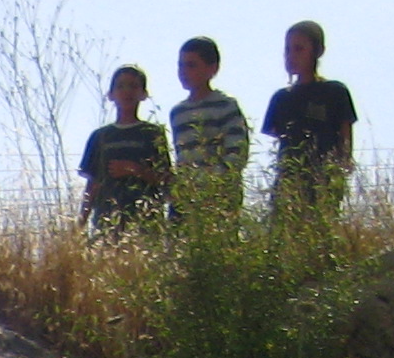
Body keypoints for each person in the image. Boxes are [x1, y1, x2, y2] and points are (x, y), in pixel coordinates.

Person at [262, 19, 357, 209]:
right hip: (288, 181)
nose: (291, 56)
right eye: (287, 50)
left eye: (299, 49)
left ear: (317, 51)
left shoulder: (334, 92)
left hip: (323, 177)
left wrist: (343, 163)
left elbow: (345, 130)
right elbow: (275, 135)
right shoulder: (281, 98)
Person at [77, 65, 171, 228]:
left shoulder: (152, 133)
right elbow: (92, 184)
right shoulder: (100, 137)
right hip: (107, 220)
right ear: (111, 95)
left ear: (143, 94)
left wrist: (135, 170)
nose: (127, 91)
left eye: (133, 86)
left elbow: (165, 178)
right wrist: (80, 222)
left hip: (145, 221)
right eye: (120, 86)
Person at [168, 35, 251, 212]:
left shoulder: (225, 106)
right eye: (180, 65)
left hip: (219, 196)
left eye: (191, 65)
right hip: (186, 197)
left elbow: (236, 151)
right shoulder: (178, 113)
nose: (183, 71)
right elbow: (182, 157)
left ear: (212, 69)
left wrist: (215, 183)